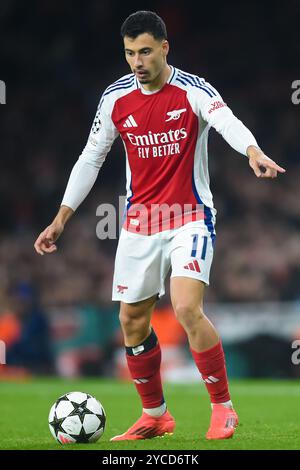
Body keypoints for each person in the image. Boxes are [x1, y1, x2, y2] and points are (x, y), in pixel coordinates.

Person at [34, 11, 286, 440]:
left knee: (187, 306)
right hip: (139, 221)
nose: (137, 61)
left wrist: (252, 151)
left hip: (190, 215)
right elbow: (91, 158)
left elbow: (225, 120)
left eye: (146, 51)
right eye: (130, 52)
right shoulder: (115, 99)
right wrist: (61, 218)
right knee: (132, 320)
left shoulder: (193, 90)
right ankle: (155, 415)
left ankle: (223, 407)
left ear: (164, 47)